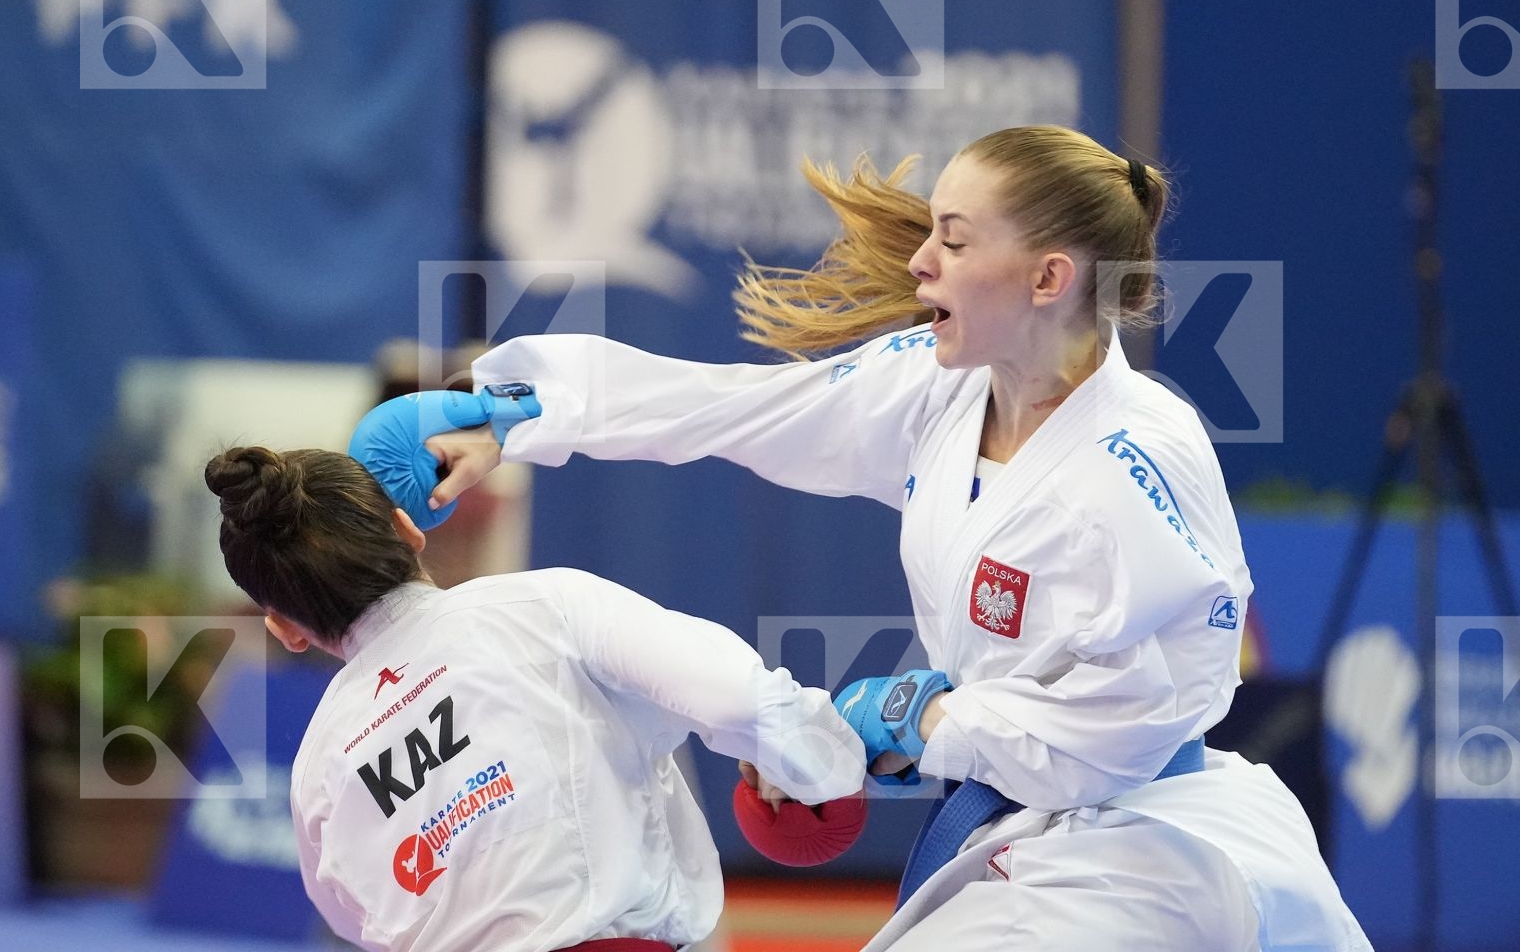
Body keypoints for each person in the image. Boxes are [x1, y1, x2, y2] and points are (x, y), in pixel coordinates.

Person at [419, 126, 1370, 950]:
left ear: (1049, 277)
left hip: (1148, 853)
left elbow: (1126, 729)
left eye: (953, 243)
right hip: (1035, 833)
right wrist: (518, 413)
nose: (920, 265)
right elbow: (735, 410)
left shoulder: (1133, 466)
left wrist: (929, 723)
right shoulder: (946, 385)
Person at [203, 445, 866, 952]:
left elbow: (356, 922)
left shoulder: (317, 769)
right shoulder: (539, 605)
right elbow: (737, 701)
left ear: (284, 626)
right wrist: (824, 763)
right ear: (408, 530)